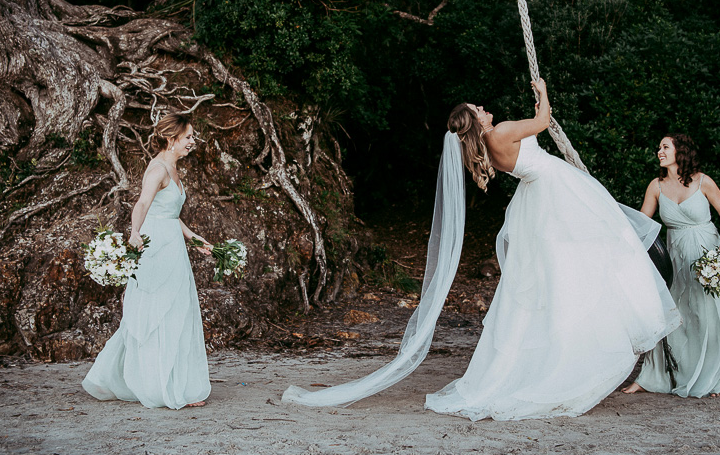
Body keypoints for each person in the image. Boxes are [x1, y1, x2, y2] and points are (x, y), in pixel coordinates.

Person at [284, 80, 680, 420]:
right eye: (479, 109)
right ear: (478, 122)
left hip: (541, 202)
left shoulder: (489, 147)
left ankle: (569, 350)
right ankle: (577, 356)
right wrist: (542, 92)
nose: (486, 109)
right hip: (556, 196)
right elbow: (542, 123)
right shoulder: (502, 131)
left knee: (562, 277)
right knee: (599, 257)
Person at [83, 112, 213, 409]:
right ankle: (157, 386)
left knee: (178, 313)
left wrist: (197, 241)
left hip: (174, 249)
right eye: (189, 136)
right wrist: (134, 232)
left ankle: (178, 383)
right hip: (155, 250)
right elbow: (142, 203)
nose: (193, 141)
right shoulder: (158, 169)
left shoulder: (174, 168)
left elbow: (172, 216)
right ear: (172, 138)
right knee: (157, 315)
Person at [622, 134, 720, 398]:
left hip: (706, 256)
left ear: (680, 152)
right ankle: (654, 377)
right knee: (675, 314)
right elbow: (641, 223)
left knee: (710, 314)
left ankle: (718, 378)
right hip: (675, 258)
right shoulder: (656, 186)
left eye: (665, 147)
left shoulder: (703, 182)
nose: (659, 151)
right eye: (659, 147)